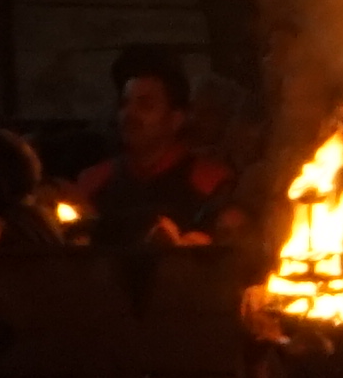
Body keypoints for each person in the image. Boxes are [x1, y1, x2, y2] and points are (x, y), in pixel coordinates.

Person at [80, 46, 234, 245]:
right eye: (125, 103)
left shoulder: (211, 183)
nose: (129, 114)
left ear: (176, 119)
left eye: (145, 105)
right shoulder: (93, 183)